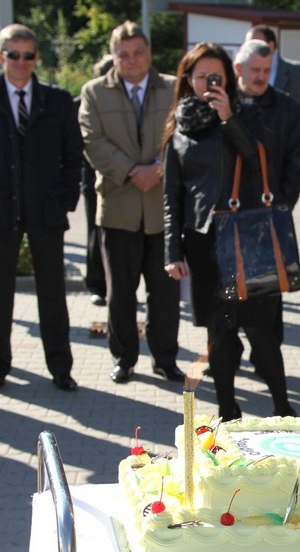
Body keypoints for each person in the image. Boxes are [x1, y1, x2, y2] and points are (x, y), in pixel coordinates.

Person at [162, 43, 297, 420]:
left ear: (228, 77)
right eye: (201, 76)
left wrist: (227, 117)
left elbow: (258, 162)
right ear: (188, 79)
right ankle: (227, 410)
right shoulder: (179, 126)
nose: (208, 83)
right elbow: (172, 195)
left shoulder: (248, 114)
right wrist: (172, 251)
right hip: (203, 241)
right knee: (219, 332)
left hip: (250, 237)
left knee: (260, 330)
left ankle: (284, 410)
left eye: (215, 76)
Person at [0, 23, 81, 395]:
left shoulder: (57, 100)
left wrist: (65, 201)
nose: (21, 62)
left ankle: (60, 367)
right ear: (1, 57)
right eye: (13, 54)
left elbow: (73, 155)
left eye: (28, 55)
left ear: (36, 58)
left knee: (53, 296)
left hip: (46, 212)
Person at [79, 21, 183, 384]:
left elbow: (184, 136)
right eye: (124, 54)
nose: (132, 60)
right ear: (114, 56)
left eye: (138, 52)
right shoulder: (94, 92)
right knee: (120, 293)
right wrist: (132, 170)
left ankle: (165, 358)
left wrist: (158, 169)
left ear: (148, 53)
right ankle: (124, 358)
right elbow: (92, 142)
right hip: (118, 208)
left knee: (165, 294)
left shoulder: (173, 87)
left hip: (164, 211)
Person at [233, 39, 300, 373]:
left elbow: (297, 164)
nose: (261, 77)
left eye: (267, 70)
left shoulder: (288, 108)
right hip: (227, 215)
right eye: (255, 71)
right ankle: (227, 355)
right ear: (239, 69)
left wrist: (281, 207)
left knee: (267, 296)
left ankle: (266, 359)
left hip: (270, 216)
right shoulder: (223, 105)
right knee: (226, 294)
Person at [246, 24, 300, 155]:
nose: (249, 48)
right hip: (253, 158)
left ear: (271, 45)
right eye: (248, 44)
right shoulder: (244, 74)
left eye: (254, 43)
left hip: (291, 159)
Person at [79, 54, 114, 307]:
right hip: (94, 179)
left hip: (128, 182)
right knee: (95, 233)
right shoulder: (83, 101)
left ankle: (118, 287)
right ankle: (97, 285)